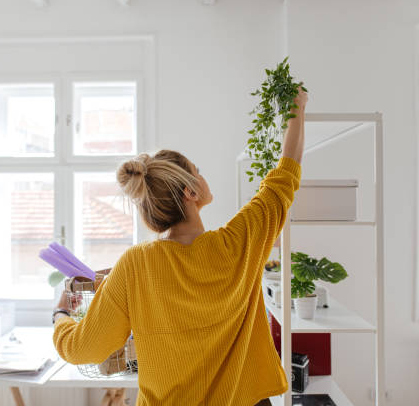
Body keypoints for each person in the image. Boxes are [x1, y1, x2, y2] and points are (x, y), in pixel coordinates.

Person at [52, 89, 308, 405]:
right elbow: (284, 176)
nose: (203, 176)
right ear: (190, 191)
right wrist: (298, 106)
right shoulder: (238, 243)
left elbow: (82, 349)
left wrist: (61, 313)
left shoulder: (136, 264)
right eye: (198, 172)